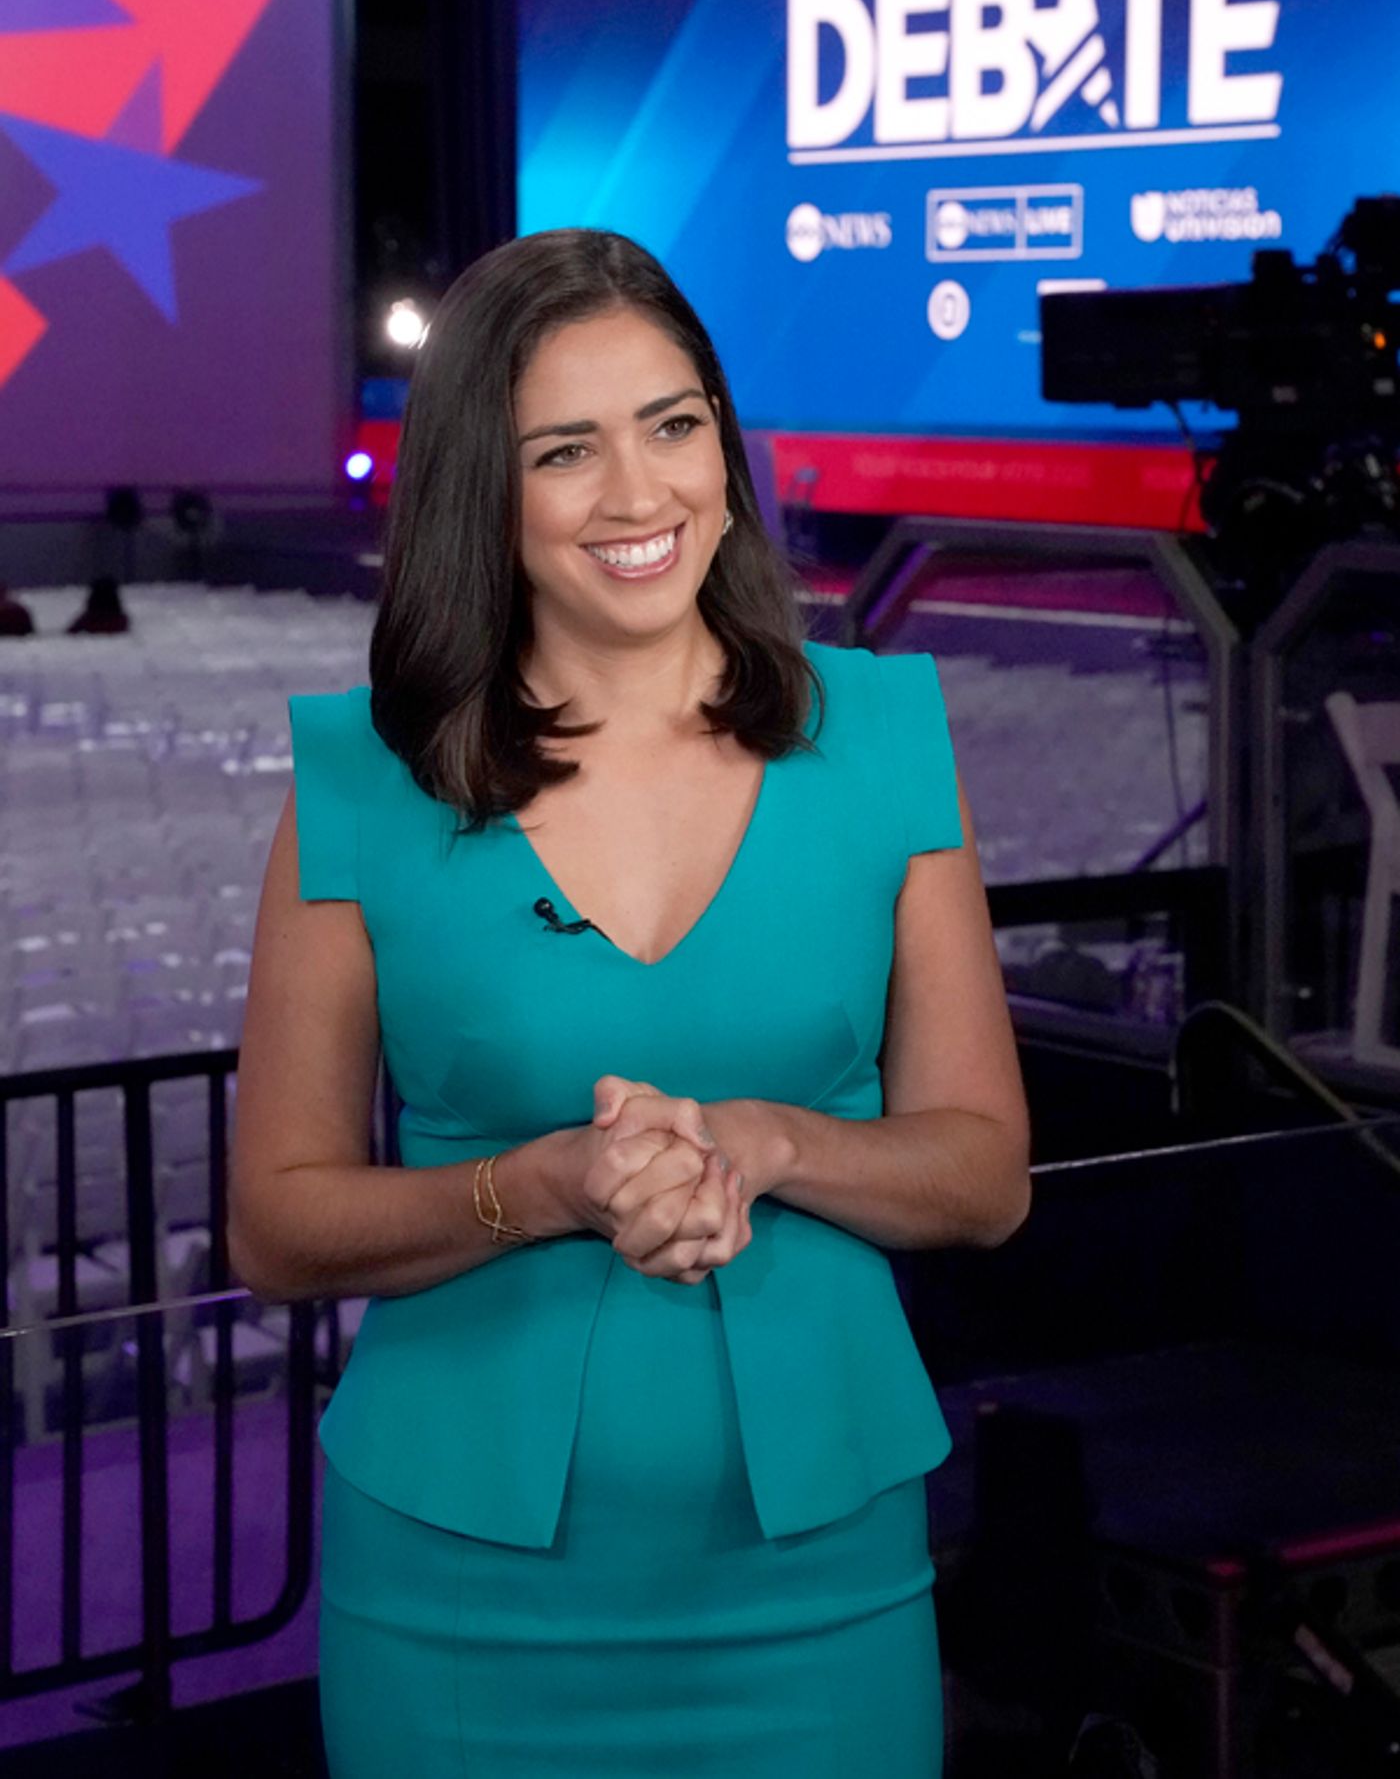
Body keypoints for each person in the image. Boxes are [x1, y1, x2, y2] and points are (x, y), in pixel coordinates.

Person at [229, 228, 1031, 1779]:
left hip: (822, 1590)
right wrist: (543, 1187)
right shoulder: (363, 778)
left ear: (726, 442)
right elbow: (276, 1219)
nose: (641, 492)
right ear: (485, 488)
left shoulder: (883, 734)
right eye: (566, 450)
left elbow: (986, 1172)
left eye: (675, 424)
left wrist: (773, 1143)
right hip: (461, 1604)